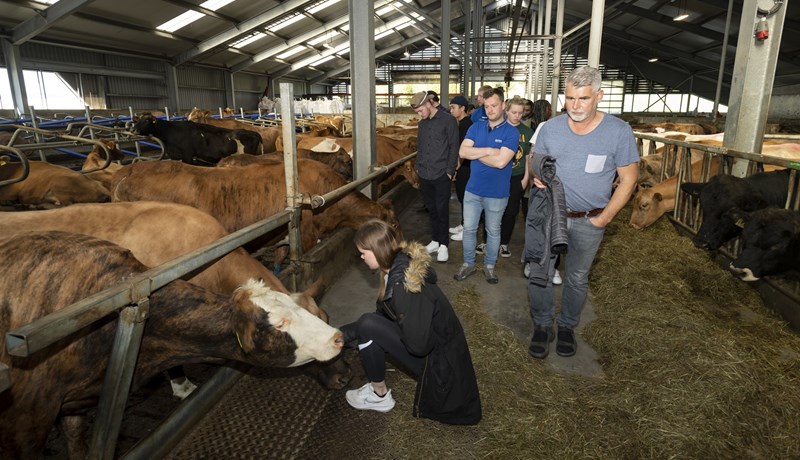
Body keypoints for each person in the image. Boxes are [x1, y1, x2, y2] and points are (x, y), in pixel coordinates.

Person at [525, 66, 639, 359]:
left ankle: (566, 326)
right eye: (570, 98)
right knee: (541, 273)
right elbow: (536, 160)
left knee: (576, 277)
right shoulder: (550, 128)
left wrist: (605, 217)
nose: (575, 106)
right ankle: (542, 325)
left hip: (590, 219)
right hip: (551, 215)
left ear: (599, 96)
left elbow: (629, 179)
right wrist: (537, 174)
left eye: (583, 99)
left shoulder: (618, 131)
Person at [344, 219, 482, 425]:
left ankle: (379, 396)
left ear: (378, 250)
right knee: (369, 325)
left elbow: (418, 346)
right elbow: (382, 316)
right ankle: (378, 391)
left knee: (367, 324)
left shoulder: (404, 287)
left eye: (364, 252)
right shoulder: (399, 265)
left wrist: (382, 332)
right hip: (441, 352)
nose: (361, 256)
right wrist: (344, 333)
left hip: (441, 368)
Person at [454, 87, 519, 284]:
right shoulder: (475, 127)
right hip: (473, 190)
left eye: (494, 105)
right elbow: (463, 152)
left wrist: (478, 152)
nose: (490, 110)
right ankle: (468, 263)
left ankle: (489, 266)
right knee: (470, 229)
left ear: (503, 106)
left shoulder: (512, 132)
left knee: (493, 231)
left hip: (497, 193)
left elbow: (501, 162)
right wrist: (491, 150)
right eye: (487, 106)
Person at [410, 91, 460, 263]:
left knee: (441, 209)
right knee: (431, 209)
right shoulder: (422, 124)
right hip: (425, 173)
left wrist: (449, 171)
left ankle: (444, 244)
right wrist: (418, 166)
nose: (419, 114)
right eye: (417, 112)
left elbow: (454, 147)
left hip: (441, 173)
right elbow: (421, 146)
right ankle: (436, 240)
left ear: (429, 104)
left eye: (420, 110)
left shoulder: (448, 120)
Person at [495, 97, 533, 260]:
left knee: (511, 211)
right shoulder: (498, 129)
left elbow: (528, 157)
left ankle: (503, 242)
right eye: (514, 112)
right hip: (497, 174)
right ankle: (487, 240)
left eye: (520, 113)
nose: (517, 116)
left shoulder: (527, 132)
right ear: (506, 111)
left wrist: (526, 178)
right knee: (492, 209)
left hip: (516, 176)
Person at [447, 95, 473, 242]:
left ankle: (467, 229)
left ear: (462, 108)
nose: (451, 110)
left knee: (466, 198)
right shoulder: (460, 123)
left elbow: (464, 149)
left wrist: (455, 168)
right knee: (462, 197)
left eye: (453, 107)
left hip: (465, 167)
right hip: (462, 166)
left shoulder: (467, 125)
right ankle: (464, 224)